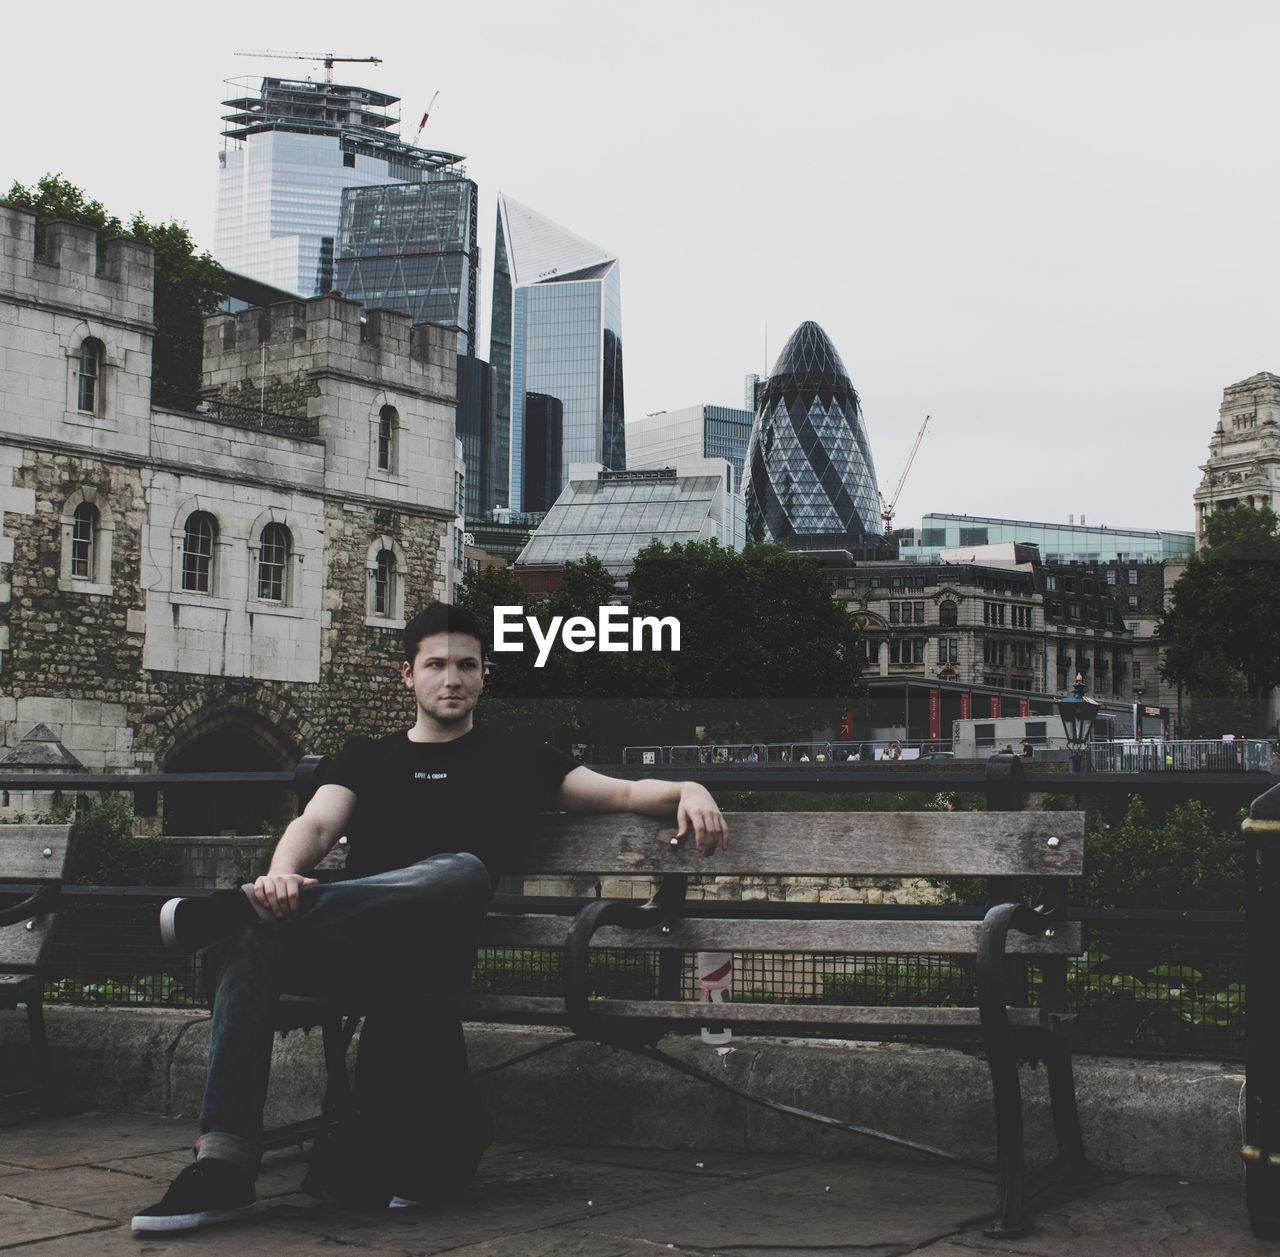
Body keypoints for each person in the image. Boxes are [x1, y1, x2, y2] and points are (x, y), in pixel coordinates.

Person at [132, 602, 728, 1234]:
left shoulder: (519, 757)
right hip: (349, 943)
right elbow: (315, 823)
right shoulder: (366, 757)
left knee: (461, 870)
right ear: (408, 676)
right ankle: (224, 1167)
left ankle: (232, 909)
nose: (452, 679)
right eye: (437, 665)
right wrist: (279, 878)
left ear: (484, 675)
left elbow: (627, 793)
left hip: (431, 952)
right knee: (255, 934)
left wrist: (689, 789)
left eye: (467, 665)